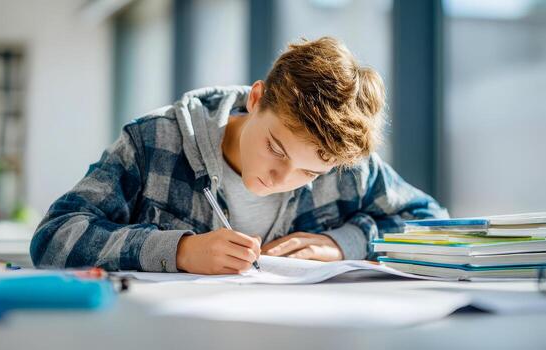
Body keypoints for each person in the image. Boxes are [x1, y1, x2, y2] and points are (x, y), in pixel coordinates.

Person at [30, 37, 448, 274]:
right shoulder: (155, 141)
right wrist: (180, 251)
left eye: (307, 172)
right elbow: (53, 237)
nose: (280, 177)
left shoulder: (344, 167)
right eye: (275, 148)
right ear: (257, 98)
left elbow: (433, 225)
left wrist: (343, 244)